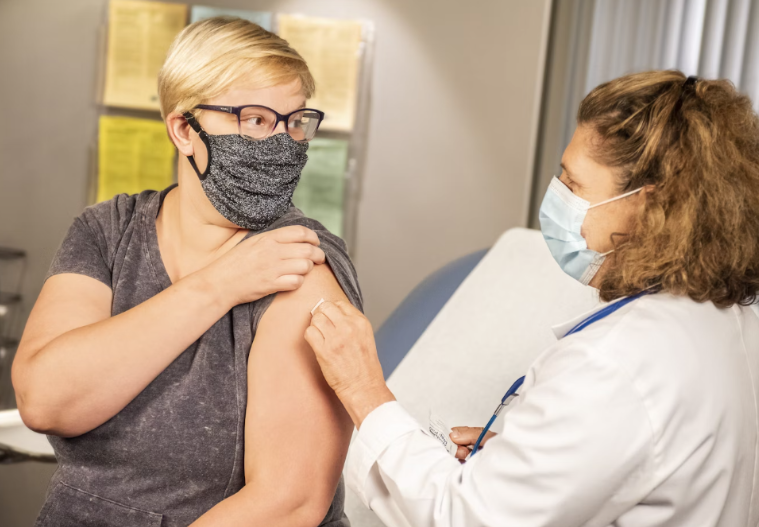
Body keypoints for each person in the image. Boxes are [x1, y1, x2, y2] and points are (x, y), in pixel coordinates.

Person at [306, 71, 759, 526]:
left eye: (573, 185)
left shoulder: (615, 363)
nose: (556, 196)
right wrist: (526, 465)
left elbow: (466, 518)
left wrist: (364, 392)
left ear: (647, 205)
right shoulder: (730, 321)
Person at [12, 17, 360, 526]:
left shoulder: (300, 260)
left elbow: (288, 502)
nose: (283, 143)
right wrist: (221, 284)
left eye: (295, 121)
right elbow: (45, 401)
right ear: (183, 130)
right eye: (255, 119)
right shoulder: (107, 231)